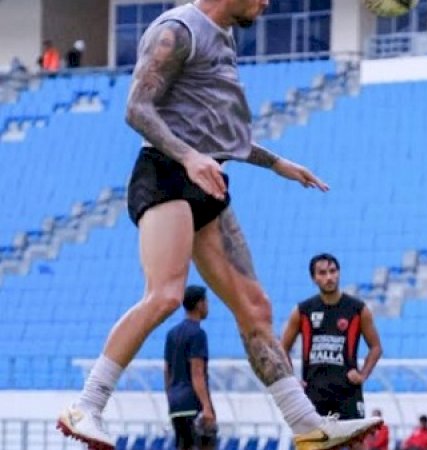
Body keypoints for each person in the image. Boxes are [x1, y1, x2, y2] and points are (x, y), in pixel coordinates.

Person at [55, 1, 381, 449]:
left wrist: (275, 162)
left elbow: (217, 130)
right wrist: (188, 157)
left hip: (207, 182)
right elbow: (136, 108)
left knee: (256, 306)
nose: (266, 3)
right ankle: (86, 406)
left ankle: (306, 424)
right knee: (167, 295)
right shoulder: (177, 30)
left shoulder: (225, 35)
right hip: (167, 173)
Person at [281, 253, 383, 420]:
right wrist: (292, 380)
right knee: (315, 444)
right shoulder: (303, 311)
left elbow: (376, 347)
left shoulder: (357, 309)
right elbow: (282, 349)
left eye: (332, 271)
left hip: (347, 392)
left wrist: (363, 374)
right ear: (314, 278)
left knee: (356, 443)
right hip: (314, 393)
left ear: (339, 273)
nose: (329, 277)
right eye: (322, 273)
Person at [164, 285, 217, 450]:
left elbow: (167, 370)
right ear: (200, 304)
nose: (208, 305)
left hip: (175, 404)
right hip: (193, 403)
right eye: (206, 301)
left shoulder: (171, 334)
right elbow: (197, 373)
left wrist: (171, 396)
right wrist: (207, 407)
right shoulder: (198, 334)